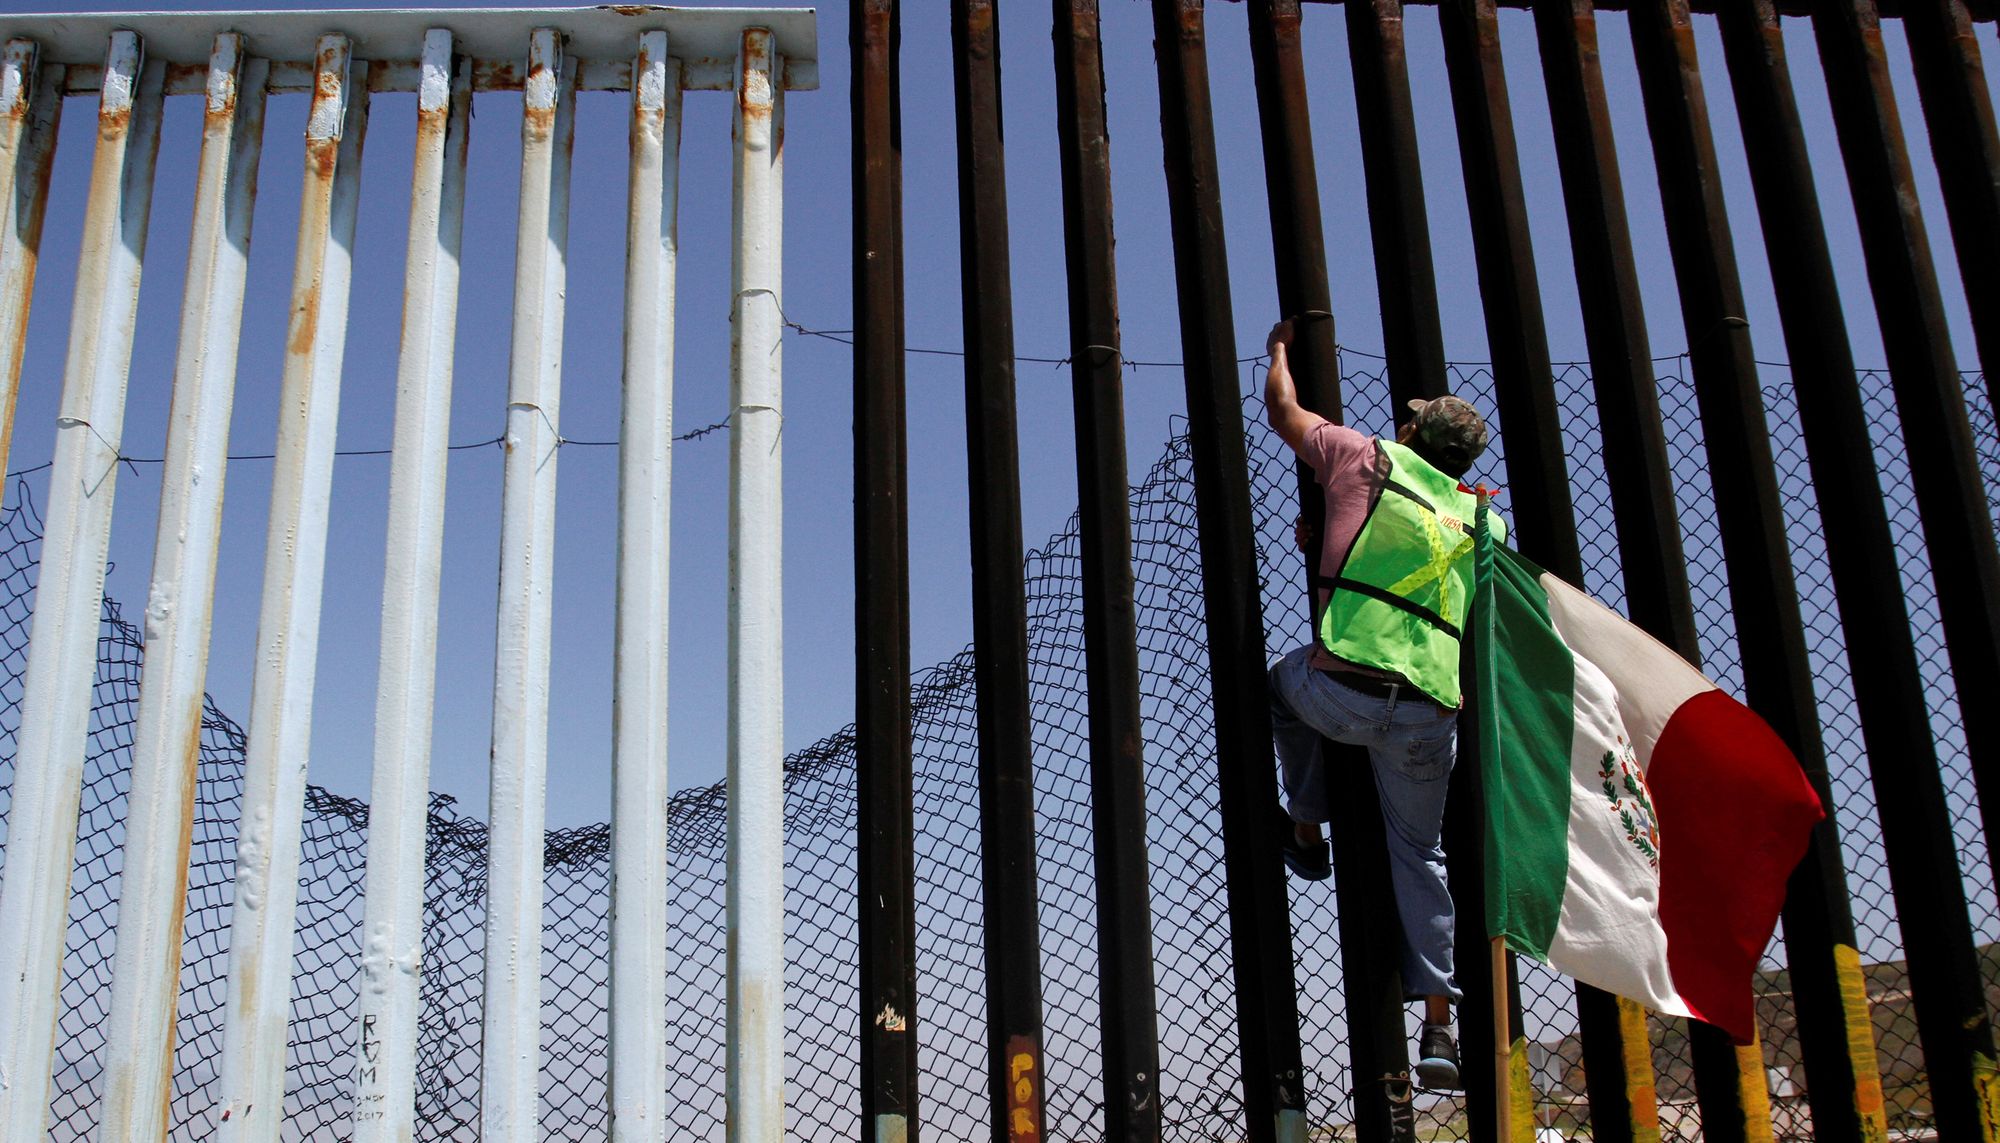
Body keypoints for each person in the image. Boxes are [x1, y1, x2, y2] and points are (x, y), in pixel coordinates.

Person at [1261, 318, 1504, 1092]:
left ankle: (1306, 827)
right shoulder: (1482, 518)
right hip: (1429, 717)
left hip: (1339, 691)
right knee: (1420, 856)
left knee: (1280, 687)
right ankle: (1438, 1027)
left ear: (1412, 433)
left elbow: (1282, 410)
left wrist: (1278, 353)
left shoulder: (1362, 457)